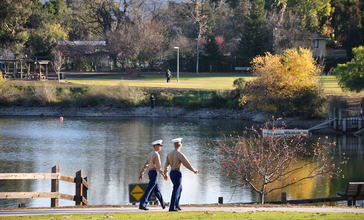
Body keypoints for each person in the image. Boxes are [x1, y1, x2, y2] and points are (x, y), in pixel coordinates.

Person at [164, 138, 198, 212]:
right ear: (179, 145)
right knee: (176, 189)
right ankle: (172, 207)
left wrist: (165, 173)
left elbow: (166, 165)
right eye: (181, 143)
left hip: (171, 173)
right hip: (177, 173)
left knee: (180, 188)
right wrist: (193, 170)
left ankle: (176, 205)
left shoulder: (169, 154)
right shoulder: (179, 154)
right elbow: (186, 164)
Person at [138, 140, 168, 211]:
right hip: (154, 173)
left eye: (161, 146)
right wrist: (164, 174)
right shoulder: (156, 154)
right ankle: (142, 204)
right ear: (156, 146)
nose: (161, 147)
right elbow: (158, 167)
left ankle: (163, 204)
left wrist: (141, 173)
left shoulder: (150, 154)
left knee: (156, 190)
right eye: (160, 146)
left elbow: (146, 164)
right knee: (149, 189)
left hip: (150, 172)